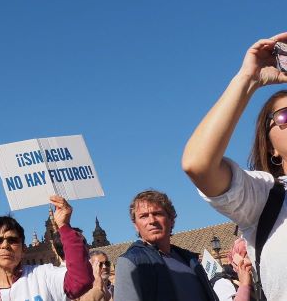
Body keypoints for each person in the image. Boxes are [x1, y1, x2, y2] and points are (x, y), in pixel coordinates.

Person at [182, 32, 287, 300]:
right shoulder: (266, 197)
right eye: (285, 116)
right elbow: (198, 164)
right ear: (271, 146)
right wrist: (248, 79)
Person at [0, 196, 92, 301]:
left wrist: (64, 226)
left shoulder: (43, 275)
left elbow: (80, 281)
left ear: (23, 249)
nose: (5, 245)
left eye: (13, 240)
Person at [113, 190, 217, 301]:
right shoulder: (131, 262)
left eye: (157, 214)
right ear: (136, 225)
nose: (152, 220)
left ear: (171, 220)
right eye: (144, 216)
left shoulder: (189, 259)